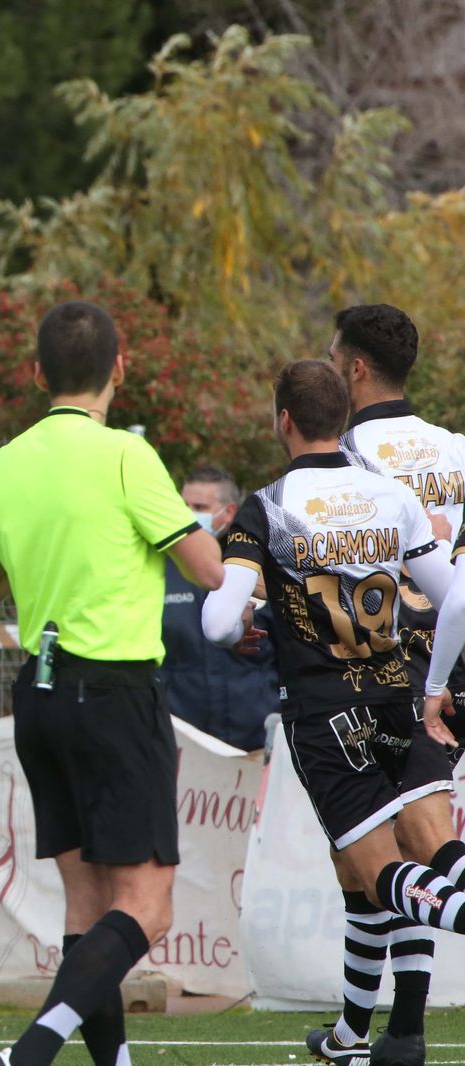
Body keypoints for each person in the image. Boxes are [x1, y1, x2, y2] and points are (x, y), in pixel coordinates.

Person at [0, 301, 224, 1066]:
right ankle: (28, 1054)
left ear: (37, 373)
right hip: (113, 693)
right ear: (120, 369)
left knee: (87, 904)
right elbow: (207, 569)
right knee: (147, 907)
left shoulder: (7, 463)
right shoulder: (127, 457)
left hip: (39, 697)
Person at [203, 360, 465, 1066]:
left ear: (283, 420)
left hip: (328, 714)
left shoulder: (267, 507)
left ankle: (366, 1030)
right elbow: (452, 597)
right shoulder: (391, 495)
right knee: (409, 858)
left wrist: (249, 614)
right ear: (343, 419)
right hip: (400, 696)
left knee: (379, 872)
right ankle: (351, 1037)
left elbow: (219, 622)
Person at [302, 304, 465, 1066]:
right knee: (375, 853)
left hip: (388, 668)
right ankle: (371, 1030)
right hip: (453, 658)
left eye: (335, 358)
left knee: (404, 845)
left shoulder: (347, 458)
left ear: (357, 369)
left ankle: (397, 1031)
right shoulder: (454, 447)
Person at [159, 465, 280, 750]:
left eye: (199, 507)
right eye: (184, 506)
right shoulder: (164, 569)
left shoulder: (260, 569)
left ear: (229, 512)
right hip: (184, 740)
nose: (189, 514)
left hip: (255, 738)